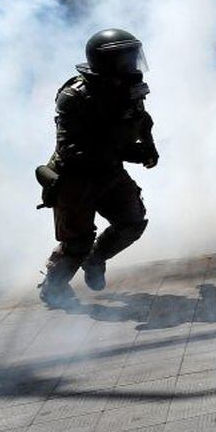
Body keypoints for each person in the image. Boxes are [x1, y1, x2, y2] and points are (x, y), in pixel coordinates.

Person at [36, 28, 158, 307]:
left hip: (109, 171)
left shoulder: (127, 88)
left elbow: (140, 120)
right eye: (125, 60)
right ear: (106, 62)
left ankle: (97, 259)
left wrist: (148, 148)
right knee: (77, 244)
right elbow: (72, 150)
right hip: (74, 177)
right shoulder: (75, 96)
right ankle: (53, 288)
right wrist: (128, 152)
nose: (132, 65)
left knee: (131, 223)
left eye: (133, 58)